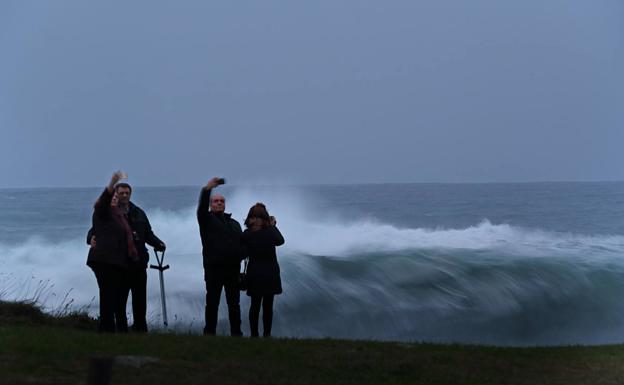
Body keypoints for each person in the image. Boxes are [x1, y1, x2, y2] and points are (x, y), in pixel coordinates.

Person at [88, 182, 166, 332]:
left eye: (127, 193)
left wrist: (159, 243)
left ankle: (140, 328)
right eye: (121, 193)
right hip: (120, 264)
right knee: (120, 300)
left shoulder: (139, 212)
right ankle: (122, 329)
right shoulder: (111, 213)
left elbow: (148, 234)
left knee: (140, 299)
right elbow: (96, 229)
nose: (124, 195)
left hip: (139, 262)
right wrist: (90, 238)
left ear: (130, 194)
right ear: (116, 194)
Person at [86, 171, 137, 332]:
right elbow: (103, 203)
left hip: (116, 261)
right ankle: (106, 328)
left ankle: (113, 328)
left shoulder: (119, 216)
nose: (115, 199)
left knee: (113, 295)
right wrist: (112, 182)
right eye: (113, 197)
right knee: (108, 294)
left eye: (117, 198)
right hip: (103, 260)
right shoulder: (103, 212)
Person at [197, 177, 245, 336]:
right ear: (211, 205)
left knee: (234, 304)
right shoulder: (206, 220)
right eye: (216, 201)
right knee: (212, 303)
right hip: (214, 269)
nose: (219, 203)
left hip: (232, 270)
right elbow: (201, 209)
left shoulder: (234, 223)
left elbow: (243, 243)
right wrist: (207, 189)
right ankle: (209, 333)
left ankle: (236, 334)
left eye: (221, 201)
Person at [242, 203, 285, 337]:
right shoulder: (270, 231)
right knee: (268, 307)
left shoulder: (246, 234)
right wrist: (273, 226)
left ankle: (254, 335)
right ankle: (267, 335)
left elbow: (242, 253)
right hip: (270, 273)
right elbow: (280, 241)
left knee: (255, 306)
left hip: (254, 273)